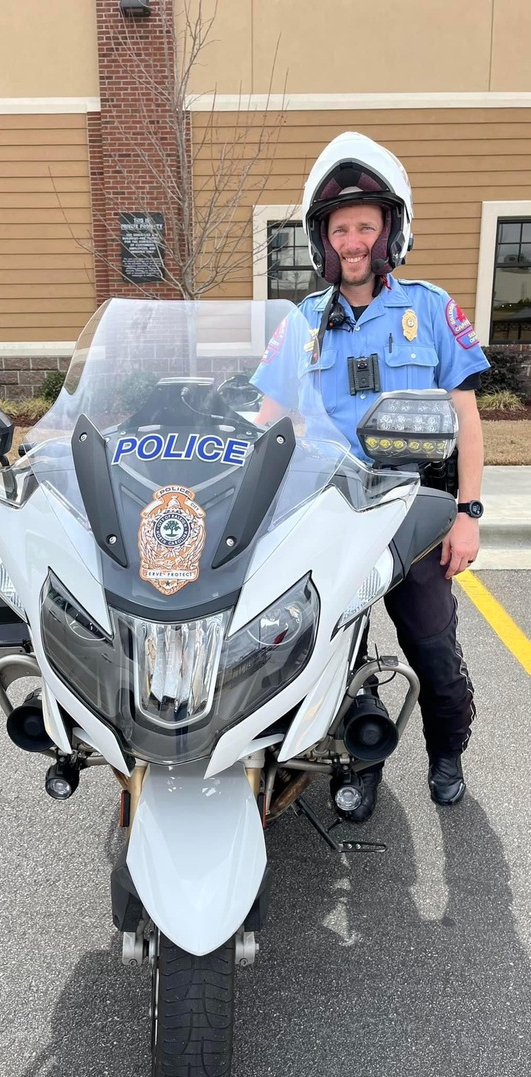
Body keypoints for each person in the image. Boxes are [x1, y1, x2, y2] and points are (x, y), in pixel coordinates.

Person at [252, 131, 489, 822]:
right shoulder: (302, 322)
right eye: (340, 230)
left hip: (413, 511)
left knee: (433, 648)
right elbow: (268, 420)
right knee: (322, 649)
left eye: (365, 226)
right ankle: (361, 762)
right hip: (328, 511)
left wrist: (468, 514)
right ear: (322, 242)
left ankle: (447, 754)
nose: (352, 242)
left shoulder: (430, 309)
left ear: (390, 231)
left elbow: (467, 419)